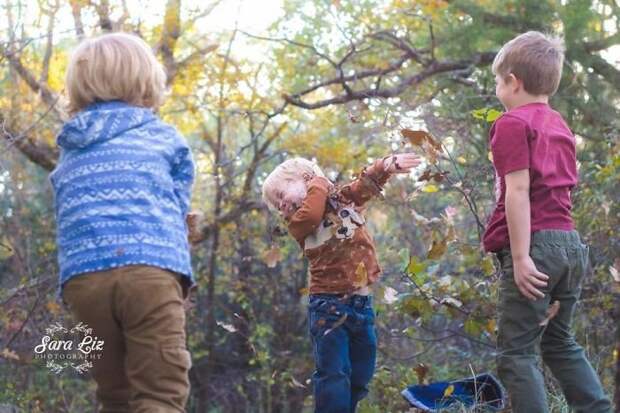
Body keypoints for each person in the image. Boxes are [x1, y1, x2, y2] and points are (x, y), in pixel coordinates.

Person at [51, 32, 195, 413]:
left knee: (114, 395)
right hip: (149, 270)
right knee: (160, 392)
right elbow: (177, 208)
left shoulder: (70, 147)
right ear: (146, 81)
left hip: (84, 281)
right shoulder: (163, 137)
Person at [482, 31, 612, 413]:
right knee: (559, 342)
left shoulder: (511, 123)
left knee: (516, 354)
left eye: (496, 80)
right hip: (569, 247)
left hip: (536, 247)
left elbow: (518, 191)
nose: (496, 87)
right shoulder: (559, 124)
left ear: (513, 82)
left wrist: (521, 258)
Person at [262, 153, 420, 413]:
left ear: (304, 178)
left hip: (361, 303)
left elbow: (365, 184)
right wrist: (320, 181)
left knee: (361, 375)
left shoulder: (342, 199)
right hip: (328, 307)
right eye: (276, 205)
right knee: (333, 375)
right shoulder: (298, 223)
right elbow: (313, 212)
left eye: (281, 195)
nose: (281, 207)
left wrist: (386, 165)